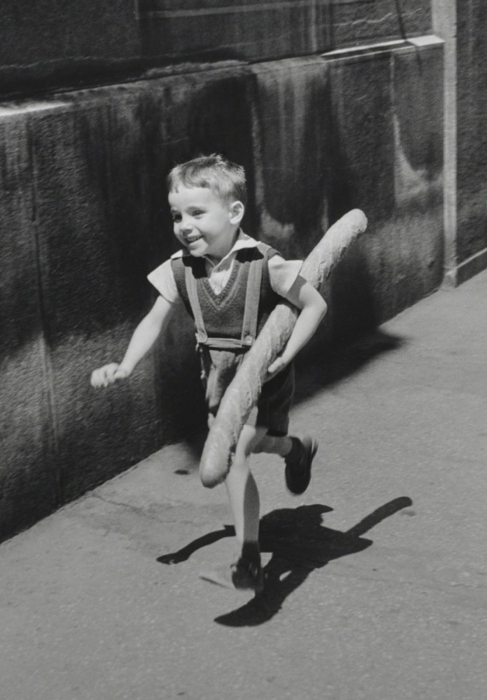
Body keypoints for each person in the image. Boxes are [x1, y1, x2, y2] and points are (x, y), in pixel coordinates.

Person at [91, 154, 327, 593]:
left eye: (197, 213)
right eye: (177, 215)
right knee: (255, 445)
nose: (184, 224)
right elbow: (153, 320)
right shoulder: (180, 268)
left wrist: (286, 354)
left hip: (263, 375)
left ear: (234, 213)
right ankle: (296, 449)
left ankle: (249, 563)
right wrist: (125, 364)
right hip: (217, 379)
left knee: (235, 456)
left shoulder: (264, 263)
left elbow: (315, 305)